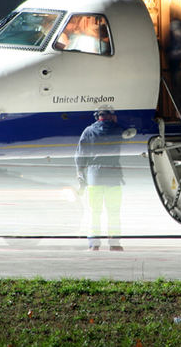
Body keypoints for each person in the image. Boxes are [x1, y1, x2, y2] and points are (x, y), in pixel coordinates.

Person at [75, 105, 125, 251]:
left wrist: (80, 174)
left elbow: (80, 155)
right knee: (114, 212)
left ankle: (94, 243)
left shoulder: (88, 131)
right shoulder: (118, 130)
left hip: (94, 178)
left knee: (94, 212)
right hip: (114, 177)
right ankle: (114, 243)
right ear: (111, 116)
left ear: (97, 116)